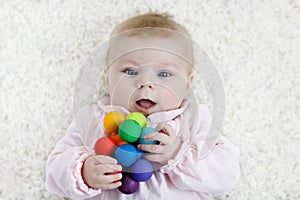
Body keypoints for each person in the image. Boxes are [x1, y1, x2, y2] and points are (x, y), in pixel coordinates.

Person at [46, 13, 240, 200]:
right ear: (107, 78)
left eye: (164, 74)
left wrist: (178, 154)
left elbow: (227, 175)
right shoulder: (92, 118)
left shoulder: (195, 120)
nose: (145, 82)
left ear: (187, 84)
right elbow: (55, 171)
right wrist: (84, 171)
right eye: (130, 71)